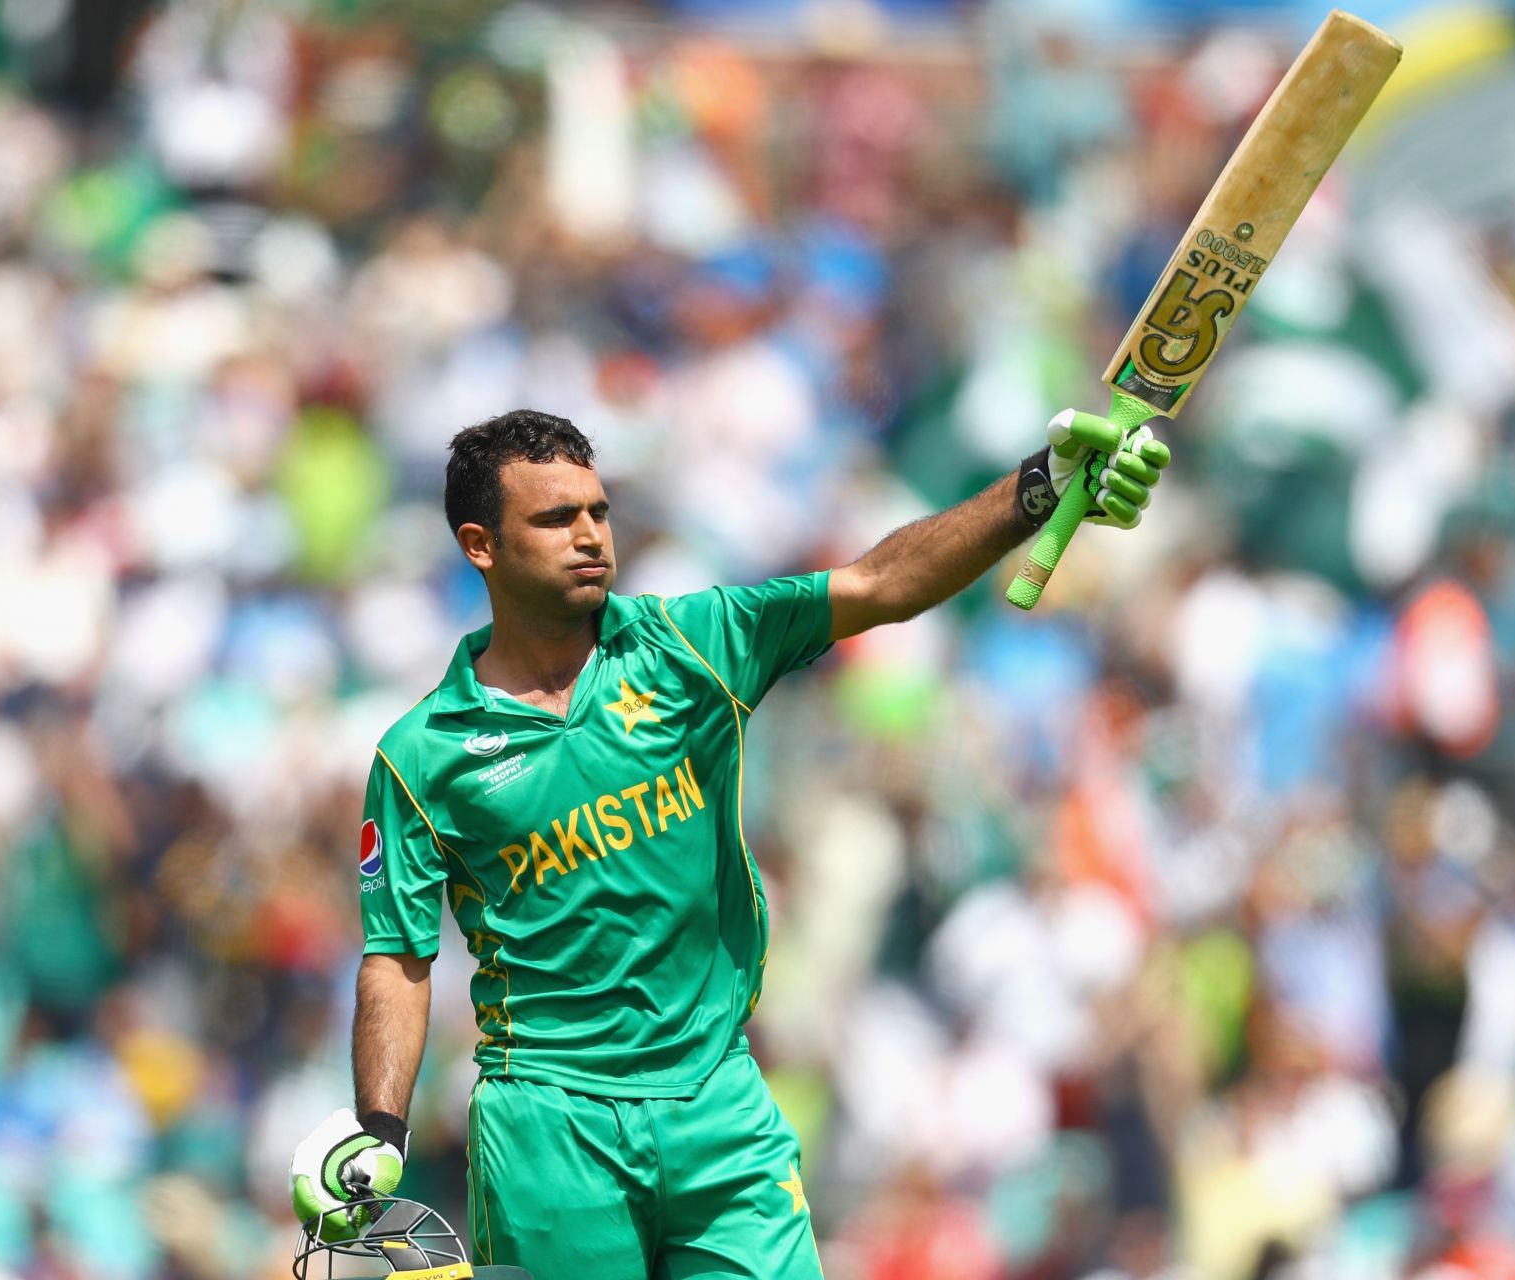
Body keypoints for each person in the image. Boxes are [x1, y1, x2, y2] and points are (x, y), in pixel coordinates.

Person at [291, 407, 1170, 1278]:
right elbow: (396, 957)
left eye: (598, 512)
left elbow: (878, 585)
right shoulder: (421, 755)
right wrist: (380, 1128)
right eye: (556, 519)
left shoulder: (690, 644)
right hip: (549, 1128)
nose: (591, 535)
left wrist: (1037, 489)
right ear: (481, 545)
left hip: (719, 1101)